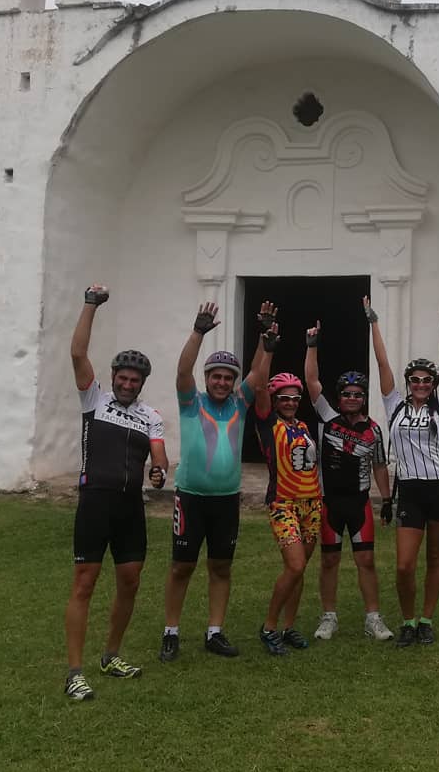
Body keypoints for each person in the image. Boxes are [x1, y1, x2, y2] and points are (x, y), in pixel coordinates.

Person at [64, 283, 169, 701]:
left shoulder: (150, 416)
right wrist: (90, 305)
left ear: (142, 382)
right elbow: (77, 354)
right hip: (95, 503)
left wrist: (158, 472)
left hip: (129, 507)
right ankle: (74, 671)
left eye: (134, 379)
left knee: (130, 580)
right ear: (113, 378)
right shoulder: (94, 400)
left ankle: (110, 656)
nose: (127, 383)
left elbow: (158, 456)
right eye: (122, 377)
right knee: (84, 583)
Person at [160, 300, 272, 662]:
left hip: (226, 498)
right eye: (216, 376)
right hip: (190, 497)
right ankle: (171, 632)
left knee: (221, 565)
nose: (222, 382)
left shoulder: (240, 403)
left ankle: (214, 631)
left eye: (228, 377)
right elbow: (182, 371)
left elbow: (258, 372)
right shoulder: (192, 402)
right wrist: (198, 332)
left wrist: (264, 336)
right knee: (182, 566)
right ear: (207, 379)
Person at [369, 295, 439, 647]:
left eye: (427, 380)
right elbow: (382, 361)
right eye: (415, 380)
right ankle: (408, 621)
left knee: (436, 559)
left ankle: (426, 620)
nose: (421, 385)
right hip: (410, 491)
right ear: (408, 381)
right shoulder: (393, 404)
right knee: (404, 565)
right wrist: (373, 322)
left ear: (433, 384)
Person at [303, 320, 394, 642]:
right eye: (346, 394)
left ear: (364, 397)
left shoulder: (373, 430)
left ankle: (373, 617)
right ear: (339, 397)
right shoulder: (327, 418)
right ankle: (329, 617)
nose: (352, 398)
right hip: (328, 503)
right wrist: (312, 345)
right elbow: (311, 381)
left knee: (365, 560)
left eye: (358, 394)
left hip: (359, 503)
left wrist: (386, 500)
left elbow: (380, 465)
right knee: (329, 560)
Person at [254, 338, 323, 655]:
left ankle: (289, 626)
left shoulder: (305, 425)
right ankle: (269, 627)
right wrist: (267, 349)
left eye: (295, 398)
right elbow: (257, 386)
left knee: (301, 569)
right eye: (284, 398)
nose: (291, 402)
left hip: (312, 503)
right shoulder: (269, 423)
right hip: (283, 503)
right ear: (273, 399)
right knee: (294, 566)